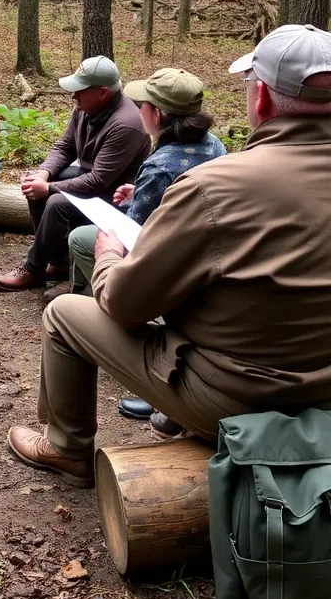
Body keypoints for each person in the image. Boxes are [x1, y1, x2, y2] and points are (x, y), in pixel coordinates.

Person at [6, 24, 331, 488]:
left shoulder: (215, 187)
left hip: (244, 397)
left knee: (62, 313)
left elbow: (125, 304)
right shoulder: (212, 168)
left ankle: (66, 447)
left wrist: (109, 255)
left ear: (261, 99)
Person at [61, 68, 226, 429]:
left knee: (83, 240)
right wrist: (139, 190)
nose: (138, 110)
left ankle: (126, 328)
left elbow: (133, 231)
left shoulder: (159, 164)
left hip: (172, 261)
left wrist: (111, 240)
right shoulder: (212, 143)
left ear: (160, 114)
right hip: (207, 251)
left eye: (143, 104)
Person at [0, 56, 150, 291]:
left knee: (56, 202)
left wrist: (49, 188)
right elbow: (64, 146)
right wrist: (43, 174)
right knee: (35, 187)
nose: (73, 95)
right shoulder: (86, 106)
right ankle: (59, 262)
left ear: (102, 92)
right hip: (93, 179)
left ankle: (33, 269)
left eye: (80, 90)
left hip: (119, 195)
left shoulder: (126, 124)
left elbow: (99, 181)